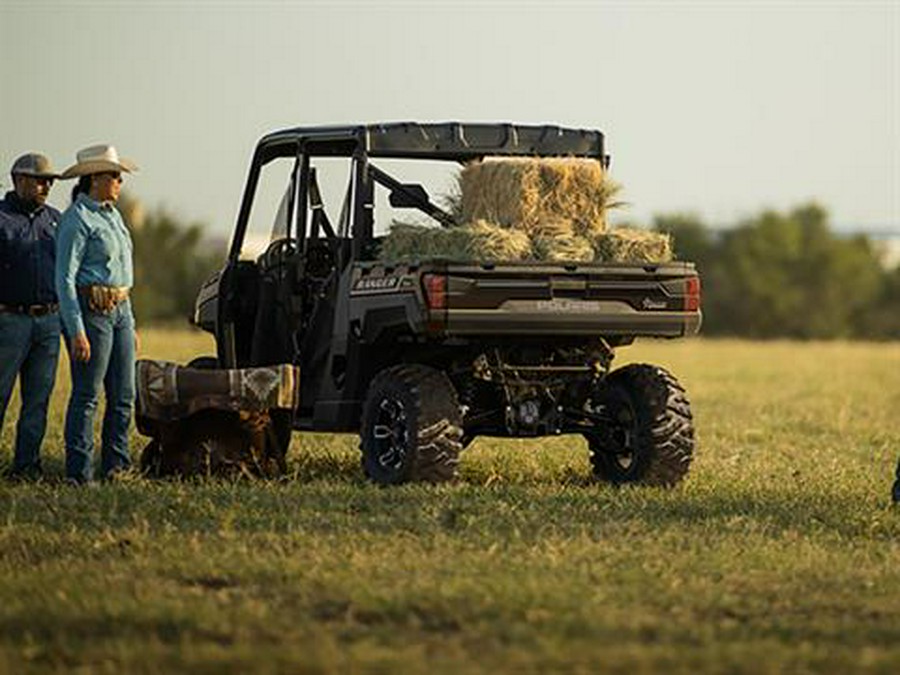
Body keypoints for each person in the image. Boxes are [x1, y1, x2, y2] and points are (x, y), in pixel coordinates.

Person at [56, 145, 139, 483]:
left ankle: (117, 467)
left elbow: (122, 272)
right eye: (115, 176)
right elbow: (64, 279)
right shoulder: (76, 219)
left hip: (121, 311)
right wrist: (76, 330)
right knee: (88, 394)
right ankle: (79, 472)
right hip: (92, 313)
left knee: (124, 394)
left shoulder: (113, 216)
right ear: (95, 179)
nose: (120, 181)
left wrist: (131, 320)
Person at [0, 153, 63, 480]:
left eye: (50, 180)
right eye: (40, 179)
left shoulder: (57, 219)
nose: (46, 185)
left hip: (49, 321)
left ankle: (26, 467)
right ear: (17, 179)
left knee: (38, 400)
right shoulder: (1, 218)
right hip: (9, 320)